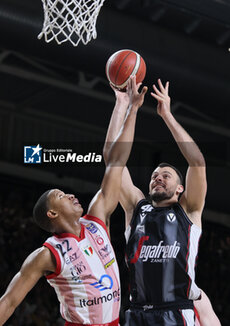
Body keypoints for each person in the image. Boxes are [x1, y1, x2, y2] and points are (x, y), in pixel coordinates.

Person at [0, 77, 147, 326]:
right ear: (52, 214)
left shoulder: (97, 219)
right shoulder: (46, 254)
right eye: (60, 196)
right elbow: (9, 301)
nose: (69, 195)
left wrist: (125, 106)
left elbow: (115, 162)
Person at [103, 79, 207, 326]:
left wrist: (167, 115)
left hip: (175, 312)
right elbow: (112, 161)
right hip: (136, 313)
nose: (158, 178)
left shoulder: (188, 210)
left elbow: (198, 162)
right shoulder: (136, 207)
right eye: (154, 176)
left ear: (180, 188)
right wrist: (124, 106)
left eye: (166, 176)